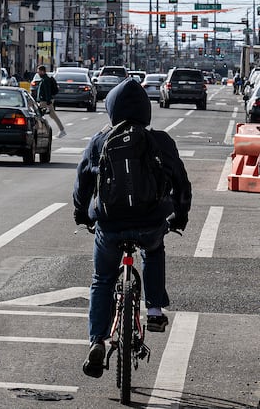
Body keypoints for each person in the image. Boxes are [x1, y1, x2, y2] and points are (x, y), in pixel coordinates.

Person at [72, 78, 192, 379]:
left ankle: (97, 340)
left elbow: (82, 183)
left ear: (112, 109)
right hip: (150, 221)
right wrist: (180, 216)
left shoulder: (100, 141)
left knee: (102, 278)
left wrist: (82, 215)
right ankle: (153, 310)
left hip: (110, 225)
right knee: (153, 250)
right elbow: (181, 183)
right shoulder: (161, 141)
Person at [34, 65, 66, 137]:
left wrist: (48, 102)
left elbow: (47, 91)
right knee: (52, 116)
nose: (38, 73)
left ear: (42, 71)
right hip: (44, 101)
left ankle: (41, 131)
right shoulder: (44, 79)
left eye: (38, 71)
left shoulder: (45, 80)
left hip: (45, 101)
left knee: (38, 116)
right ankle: (61, 130)